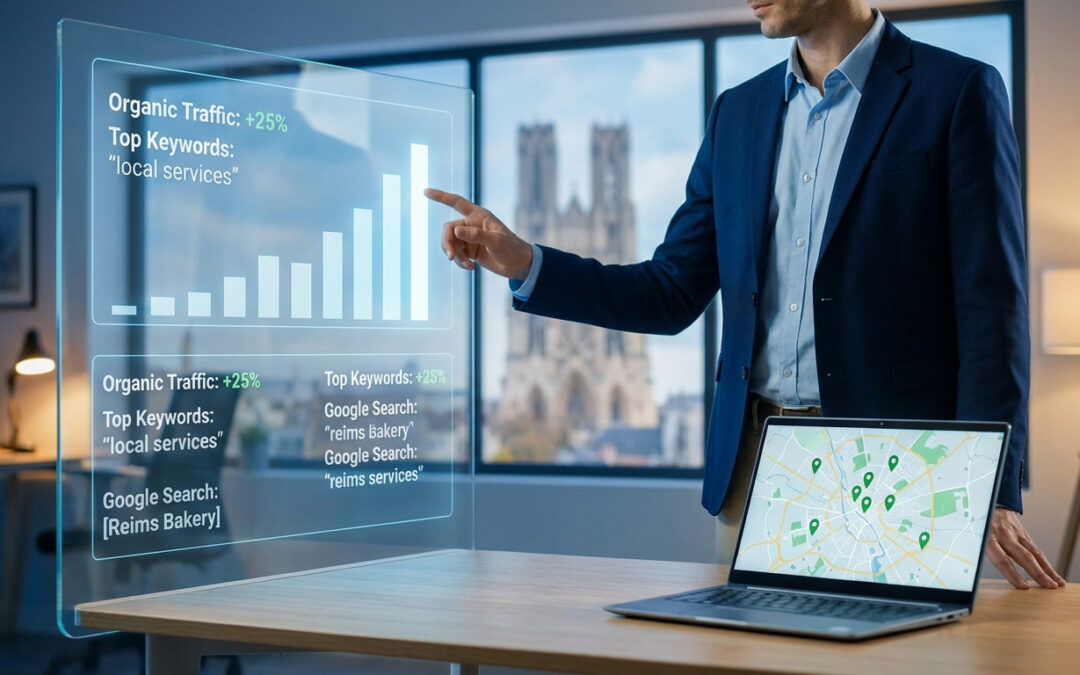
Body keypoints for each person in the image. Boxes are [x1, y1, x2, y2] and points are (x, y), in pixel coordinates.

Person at [425, 0, 1065, 589]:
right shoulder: (739, 113)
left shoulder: (955, 92)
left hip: (897, 468)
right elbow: (669, 290)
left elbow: (993, 310)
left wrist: (993, 485)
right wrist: (524, 261)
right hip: (753, 471)